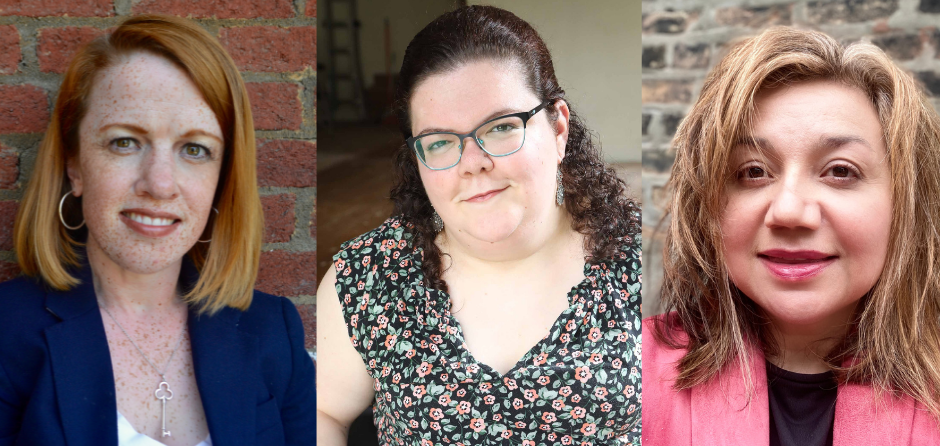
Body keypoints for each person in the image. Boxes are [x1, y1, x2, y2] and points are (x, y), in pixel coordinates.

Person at [317, 5, 642, 446]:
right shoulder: (366, 278)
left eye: (502, 127)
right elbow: (323, 412)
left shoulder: (645, 259)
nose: (473, 163)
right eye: (439, 141)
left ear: (559, 128)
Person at [0, 15, 315, 445]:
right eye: (124, 142)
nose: (160, 184)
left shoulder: (272, 331)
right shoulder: (8, 331)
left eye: (195, 149)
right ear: (74, 164)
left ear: (222, 178)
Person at [643, 27, 940, 445]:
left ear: (906, 203)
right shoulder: (624, 372)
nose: (788, 211)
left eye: (840, 171)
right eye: (753, 171)